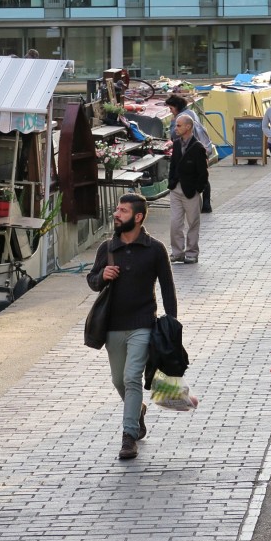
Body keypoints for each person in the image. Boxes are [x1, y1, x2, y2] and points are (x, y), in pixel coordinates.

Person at [86, 194, 177, 459]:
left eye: (123, 211)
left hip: (143, 324)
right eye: (117, 209)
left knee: (131, 377)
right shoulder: (107, 249)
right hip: (112, 326)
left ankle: (129, 437)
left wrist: (171, 324)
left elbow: (168, 288)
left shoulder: (155, 249)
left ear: (137, 217)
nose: (116, 214)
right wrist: (102, 276)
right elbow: (92, 281)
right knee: (118, 380)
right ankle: (138, 411)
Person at [167, 115, 209, 264]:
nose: (175, 128)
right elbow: (173, 165)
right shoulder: (177, 144)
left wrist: (198, 189)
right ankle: (177, 252)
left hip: (191, 191)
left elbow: (203, 172)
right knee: (175, 223)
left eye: (178, 125)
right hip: (176, 189)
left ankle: (191, 252)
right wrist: (171, 181)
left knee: (193, 223)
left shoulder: (198, 147)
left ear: (188, 127)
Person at [166, 94, 214, 213]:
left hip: (193, 149)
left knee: (191, 172)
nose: (170, 111)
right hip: (204, 146)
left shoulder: (181, 118)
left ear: (176, 107)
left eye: (171, 108)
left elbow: (174, 135)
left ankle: (193, 197)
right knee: (202, 172)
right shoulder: (191, 112)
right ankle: (206, 203)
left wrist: (173, 123)